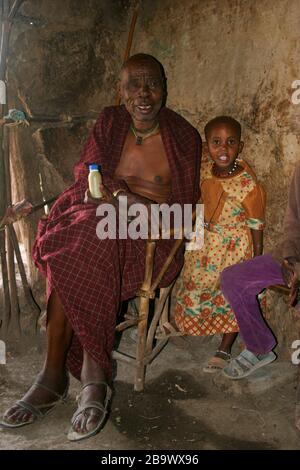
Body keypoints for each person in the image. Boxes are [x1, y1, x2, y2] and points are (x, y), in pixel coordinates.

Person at [0, 53, 201, 441]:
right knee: (76, 236)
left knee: (90, 235)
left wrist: (134, 207)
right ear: (121, 91)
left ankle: (68, 375)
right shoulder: (110, 122)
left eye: (152, 83)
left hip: (151, 236)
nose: (144, 93)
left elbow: (183, 208)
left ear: (164, 88)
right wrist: (117, 198)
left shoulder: (183, 136)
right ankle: (71, 376)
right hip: (100, 217)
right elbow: (85, 174)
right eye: (134, 84)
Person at [174, 116, 266, 372]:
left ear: (241, 146)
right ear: (207, 145)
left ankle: (225, 347)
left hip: (232, 248)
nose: (223, 150)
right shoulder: (205, 167)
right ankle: (196, 326)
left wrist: (256, 261)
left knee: (230, 294)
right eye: (216, 143)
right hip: (202, 240)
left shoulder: (247, 183)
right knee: (194, 283)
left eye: (230, 143)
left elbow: (256, 223)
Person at [220, 162, 300, 380]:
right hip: (293, 260)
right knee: (233, 279)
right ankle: (259, 347)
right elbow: (293, 223)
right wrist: (291, 260)